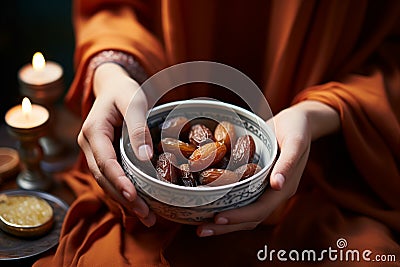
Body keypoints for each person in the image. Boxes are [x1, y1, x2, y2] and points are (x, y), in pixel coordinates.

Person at [35, 1, 400, 266]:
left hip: (320, 176)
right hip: (147, 211)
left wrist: (317, 114)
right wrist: (112, 73)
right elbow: (113, 9)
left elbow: (391, 49)